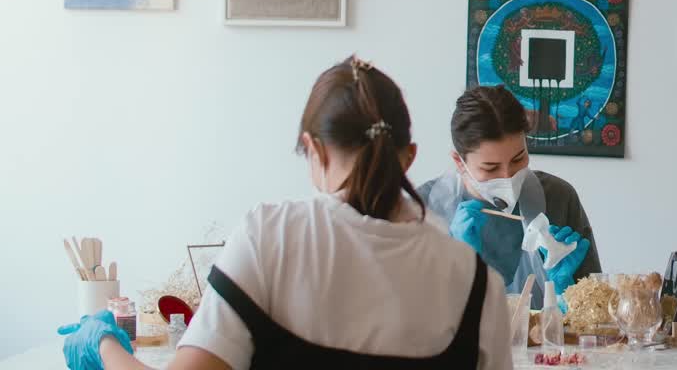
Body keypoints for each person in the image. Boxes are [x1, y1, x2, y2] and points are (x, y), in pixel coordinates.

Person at [59, 57, 513, 370]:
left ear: (313, 150)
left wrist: (101, 345)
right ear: (409, 157)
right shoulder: (476, 281)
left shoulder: (268, 238)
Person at [419, 85, 600, 307]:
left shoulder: (559, 197)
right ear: (459, 162)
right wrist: (458, 270)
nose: (508, 177)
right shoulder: (423, 210)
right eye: (490, 168)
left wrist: (567, 291)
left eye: (518, 159)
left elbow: (598, 316)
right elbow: (410, 322)